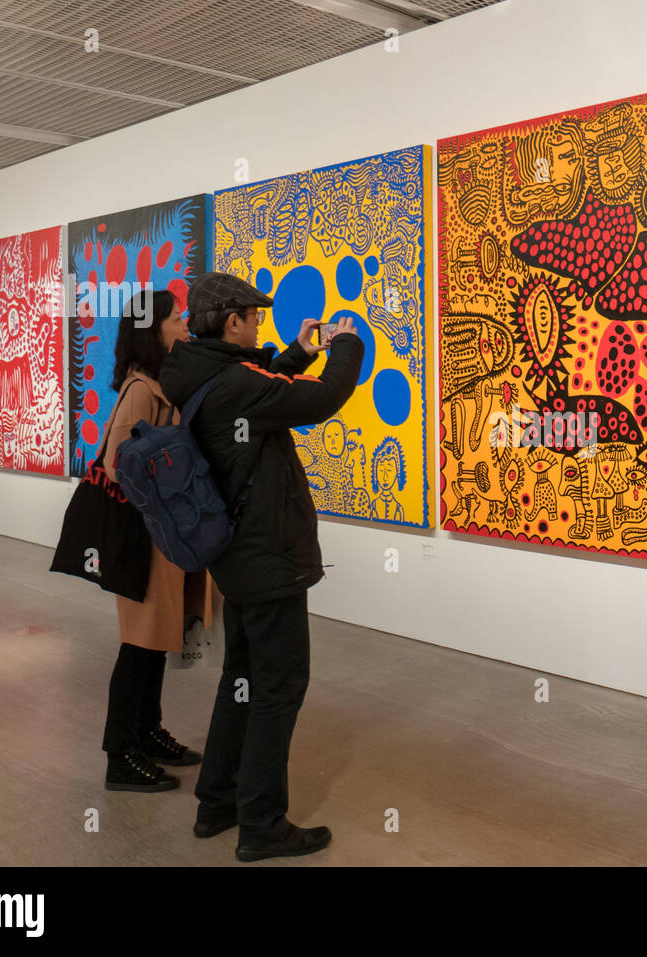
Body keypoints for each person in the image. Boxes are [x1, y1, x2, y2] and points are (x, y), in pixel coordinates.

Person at [159, 272, 363, 862]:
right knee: (278, 686)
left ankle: (218, 802)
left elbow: (262, 383)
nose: (260, 325)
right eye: (256, 317)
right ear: (233, 322)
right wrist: (347, 344)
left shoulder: (200, 371)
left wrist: (299, 352)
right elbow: (319, 401)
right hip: (267, 556)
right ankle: (263, 825)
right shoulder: (233, 382)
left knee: (243, 681)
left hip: (238, 557)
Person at [100, 289, 212, 793]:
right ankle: (121, 756)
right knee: (138, 646)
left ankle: (147, 732)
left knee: (155, 642)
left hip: (164, 537)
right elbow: (115, 460)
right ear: (155, 328)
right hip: (146, 538)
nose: (185, 323)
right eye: (177, 318)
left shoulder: (158, 382)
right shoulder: (141, 389)